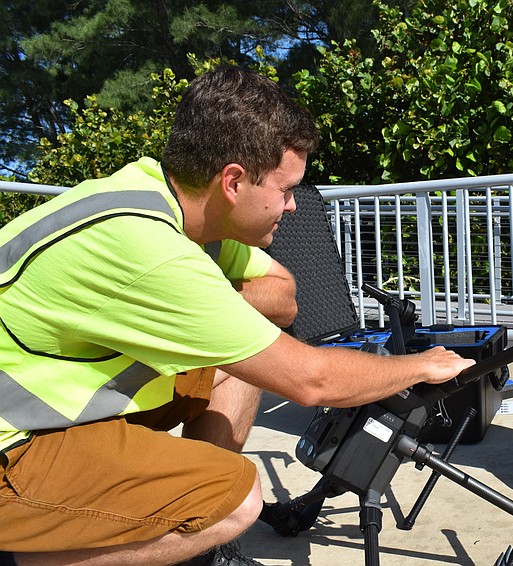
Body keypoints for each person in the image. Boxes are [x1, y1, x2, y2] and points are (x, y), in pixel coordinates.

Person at [0, 65, 475, 566]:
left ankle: (192, 533)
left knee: (239, 356)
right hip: (15, 444)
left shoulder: (165, 201)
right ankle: (34, 556)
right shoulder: (150, 250)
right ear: (234, 181)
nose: (292, 207)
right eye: (286, 189)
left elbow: (284, 295)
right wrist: (422, 365)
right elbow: (310, 380)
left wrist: (207, 309)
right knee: (237, 499)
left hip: (59, 412)